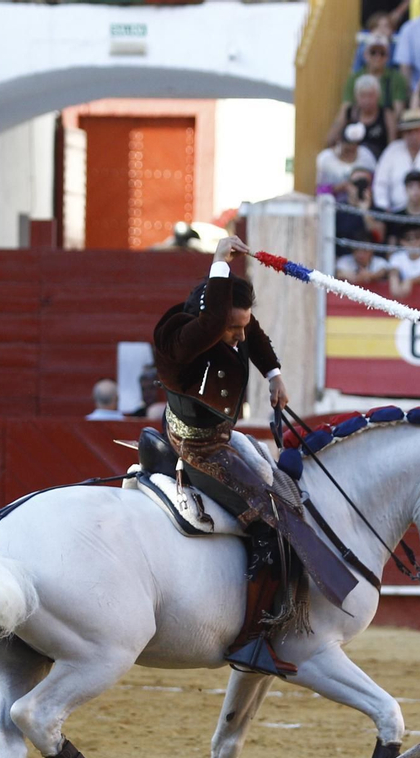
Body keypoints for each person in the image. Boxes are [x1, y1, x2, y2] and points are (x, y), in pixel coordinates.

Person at [150, 235, 355, 676]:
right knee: (268, 522)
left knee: (284, 493)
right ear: (209, 317)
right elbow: (211, 328)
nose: (241, 336)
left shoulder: (227, 324)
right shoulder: (181, 340)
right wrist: (219, 262)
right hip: (198, 446)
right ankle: (250, 640)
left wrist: (274, 374)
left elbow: (252, 332)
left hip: (221, 434)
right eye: (232, 329)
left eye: (242, 327)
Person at [373, 108, 420, 211]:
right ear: (403, 133)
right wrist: (383, 208)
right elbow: (380, 183)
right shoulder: (392, 150)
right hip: (395, 214)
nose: (413, 136)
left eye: (417, 130)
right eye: (409, 132)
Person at [343, 34, 407, 112]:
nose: (378, 57)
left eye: (382, 53)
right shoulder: (354, 78)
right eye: (373, 52)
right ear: (365, 55)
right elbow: (345, 110)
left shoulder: (397, 79)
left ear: (388, 57)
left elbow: (398, 113)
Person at [316, 121, 377, 196]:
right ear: (339, 141)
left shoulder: (366, 156)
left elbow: (375, 184)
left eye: (353, 151)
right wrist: (336, 188)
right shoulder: (325, 159)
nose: (350, 154)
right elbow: (318, 191)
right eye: (347, 151)